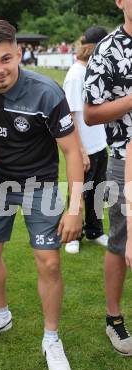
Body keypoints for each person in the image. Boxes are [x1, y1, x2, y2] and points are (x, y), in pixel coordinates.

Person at [0, 20, 84, 370]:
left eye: (6, 58)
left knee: (48, 262)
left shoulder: (46, 92)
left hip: (39, 184)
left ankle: (51, 338)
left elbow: (73, 151)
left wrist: (75, 208)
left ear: (19, 53)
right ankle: (0, 315)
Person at [84, 0, 132, 356]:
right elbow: (90, 113)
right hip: (123, 160)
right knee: (121, 241)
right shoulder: (108, 49)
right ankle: (114, 318)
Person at [63, 26, 109, 254]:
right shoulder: (75, 75)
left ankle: (95, 230)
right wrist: (79, 152)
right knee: (79, 191)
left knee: (97, 191)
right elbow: (69, 117)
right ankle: (74, 235)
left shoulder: (94, 70)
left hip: (100, 144)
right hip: (84, 148)